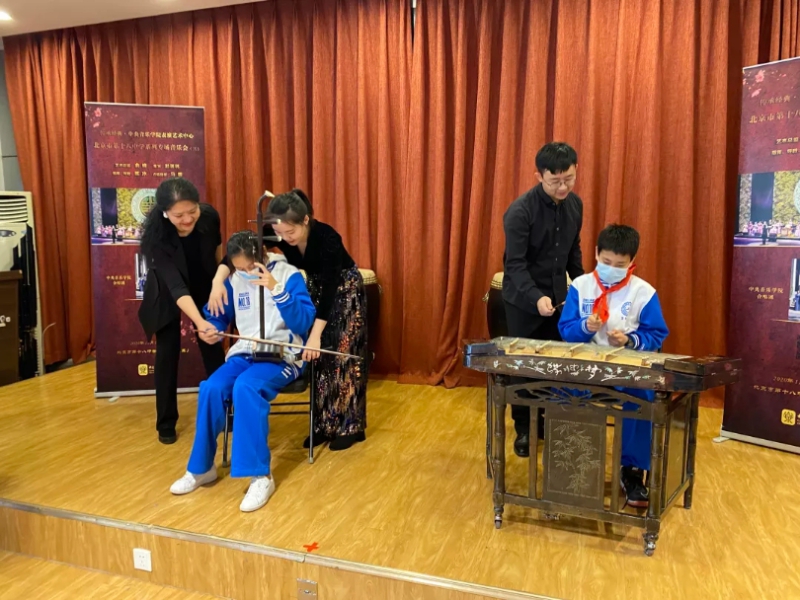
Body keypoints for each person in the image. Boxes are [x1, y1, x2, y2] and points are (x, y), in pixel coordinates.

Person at [209, 189, 368, 451]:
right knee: (318, 361)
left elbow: (330, 290)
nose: (284, 238)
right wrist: (218, 281)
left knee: (342, 356)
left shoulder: (327, 237)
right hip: (314, 290)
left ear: (305, 220)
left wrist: (314, 336)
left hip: (343, 292)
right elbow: (238, 252)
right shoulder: (278, 232)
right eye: (279, 232)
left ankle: (349, 426)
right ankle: (323, 426)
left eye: (290, 232)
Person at [169, 231, 316, 512]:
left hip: (283, 356)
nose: (246, 272)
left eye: (250, 266)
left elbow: (302, 323)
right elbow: (216, 316)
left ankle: (261, 476)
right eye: (239, 268)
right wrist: (210, 329)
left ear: (262, 254)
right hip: (244, 353)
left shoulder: (288, 274)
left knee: (246, 387)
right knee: (211, 387)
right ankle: (201, 468)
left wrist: (276, 289)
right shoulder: (234, 279)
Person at [558, 224, 669, 508]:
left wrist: (630, 340)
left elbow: (656, 334)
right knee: (564, 390)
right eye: (606, 262)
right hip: (588, 365)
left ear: (632, 261)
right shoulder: (581, 286)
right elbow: (566, 330)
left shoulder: (643, 292)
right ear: (596, 253)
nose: (612, 269)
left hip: (626, 368)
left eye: (620, 265)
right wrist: (585, 327)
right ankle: (572, 461)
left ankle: (631, 469)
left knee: (642, 397)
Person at [502, 142, 584, 457]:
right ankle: (524, 429)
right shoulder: (520, 211)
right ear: (539, 176)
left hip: (558, 300)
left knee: (553, 365)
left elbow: (573, 252)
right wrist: (536, 297)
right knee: (524, 367)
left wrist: (585, 286)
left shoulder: (575, 205)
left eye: (569, 179)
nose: (563, 187)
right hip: (523, 301)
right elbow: (515, 265)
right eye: (555, 181)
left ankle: (548, 422)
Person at [139, 178, 226, 445]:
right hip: (168, 291)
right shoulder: (156, 237)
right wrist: (199, 322)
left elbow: (218, 252)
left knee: (212, 346)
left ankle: (225, 411)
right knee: (167, 352)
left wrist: (218, 283)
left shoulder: (209, 216)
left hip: (203, 281)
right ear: (165, 212)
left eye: (192, 211)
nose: (187, 219)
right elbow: (176, 286)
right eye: (179, 215)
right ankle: (166, 421)